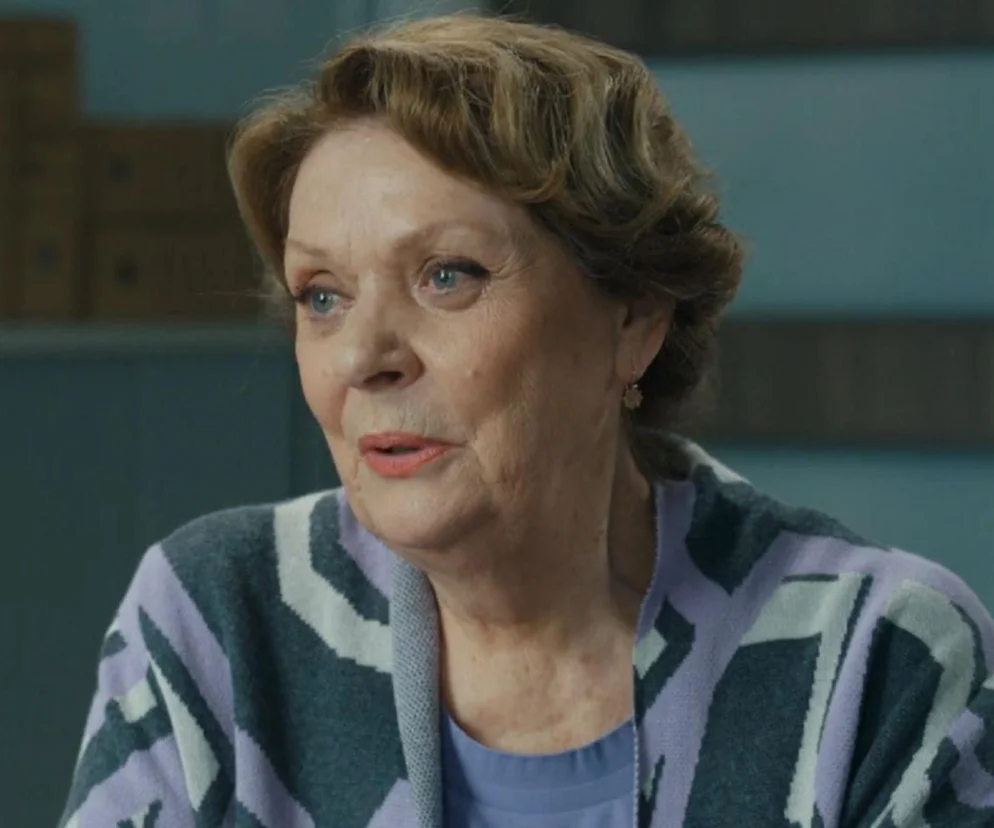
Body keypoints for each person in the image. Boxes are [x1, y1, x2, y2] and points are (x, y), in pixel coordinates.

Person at [59, 13, 994, 828]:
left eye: (447, 276)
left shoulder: (878, 658)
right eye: (323, 296)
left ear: (634, 318)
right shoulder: (217, 622)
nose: (363, 358)